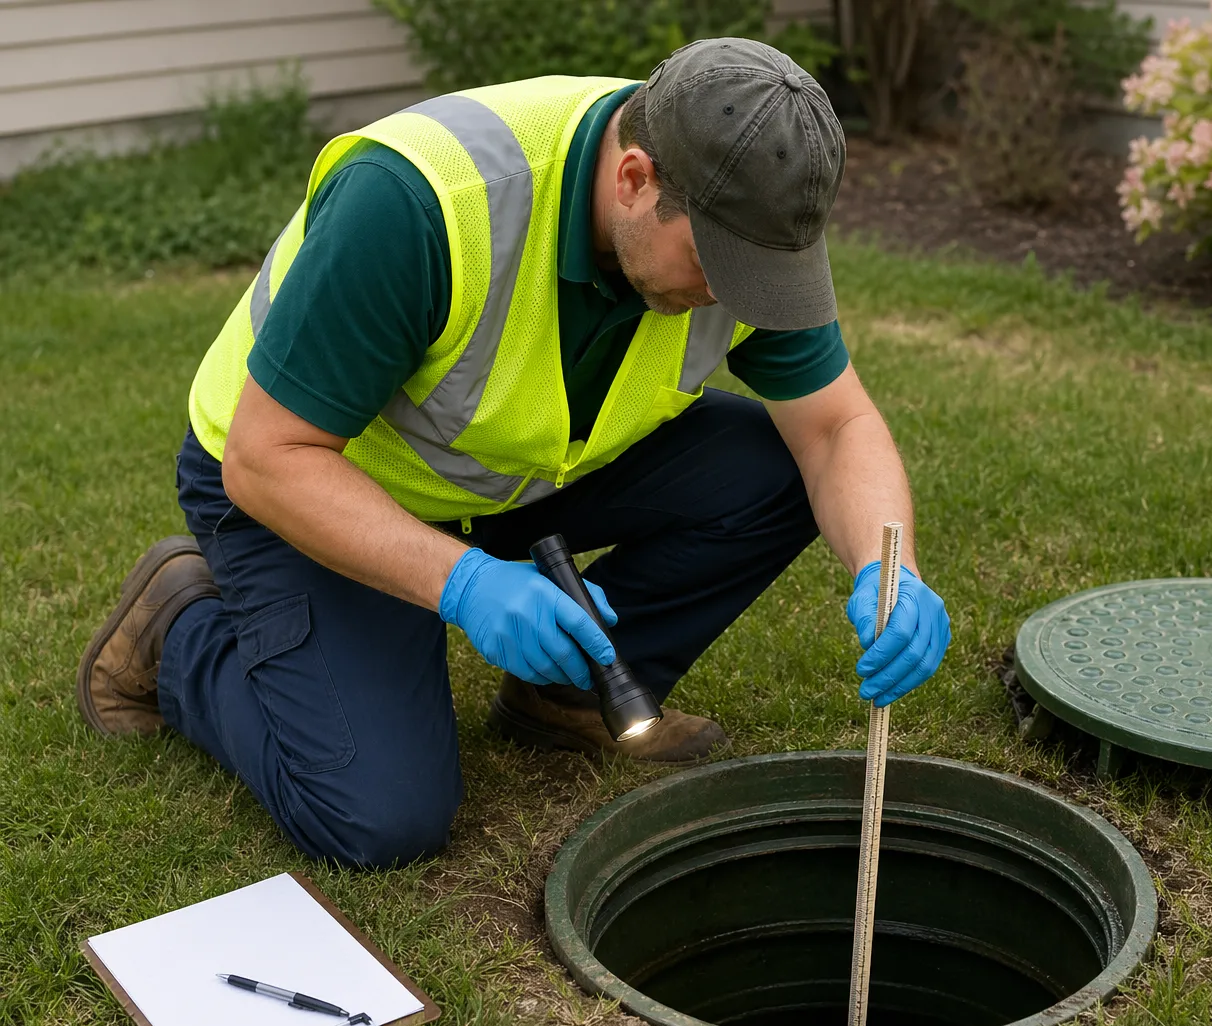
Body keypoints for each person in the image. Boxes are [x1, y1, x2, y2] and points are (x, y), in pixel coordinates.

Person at [76, 38, 951, 867]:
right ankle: (179, 628)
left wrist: (892, 568)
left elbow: (837, 429)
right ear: (635, 179)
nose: (738, 295)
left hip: (519, 471)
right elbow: (270, 458)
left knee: (774, 472)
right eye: (716, 265)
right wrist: (466, 584)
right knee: (381, 816)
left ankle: (573, 691)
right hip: (307, 482)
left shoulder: (747, 211)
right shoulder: (420, 202)